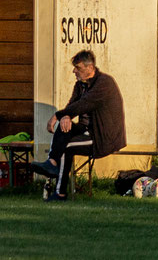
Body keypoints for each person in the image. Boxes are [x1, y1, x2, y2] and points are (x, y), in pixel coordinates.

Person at [30, 49, 125, 202]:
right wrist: (65, 116)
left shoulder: (104, 83)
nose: (74, 71)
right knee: (63, 127)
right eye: (74, 67)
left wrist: (57, 115)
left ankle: (59, 192)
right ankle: (52, 164)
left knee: (66, 147)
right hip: (85, 130)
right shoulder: (80, 85)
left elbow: (84, 104)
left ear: (90, 68)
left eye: (78, 68)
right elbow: (73, 105)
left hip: (102, 137)